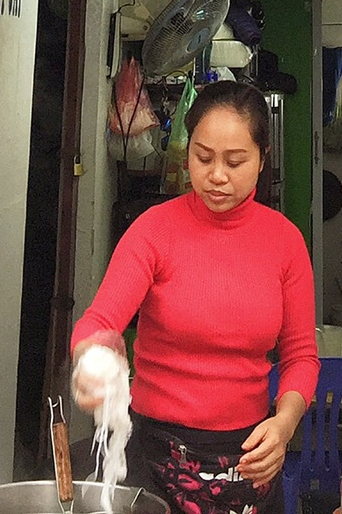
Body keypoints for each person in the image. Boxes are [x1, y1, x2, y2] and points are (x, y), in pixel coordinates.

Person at [72, 79, 319, 514]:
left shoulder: (285, 242)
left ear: (262, 159)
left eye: (235, 161)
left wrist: (284, 424)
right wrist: (90, 362)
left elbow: (300, 356)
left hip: (249, 457)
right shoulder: (153, 231)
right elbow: (100, 322)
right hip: (152, 455)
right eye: (203, 158)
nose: (217, 175)